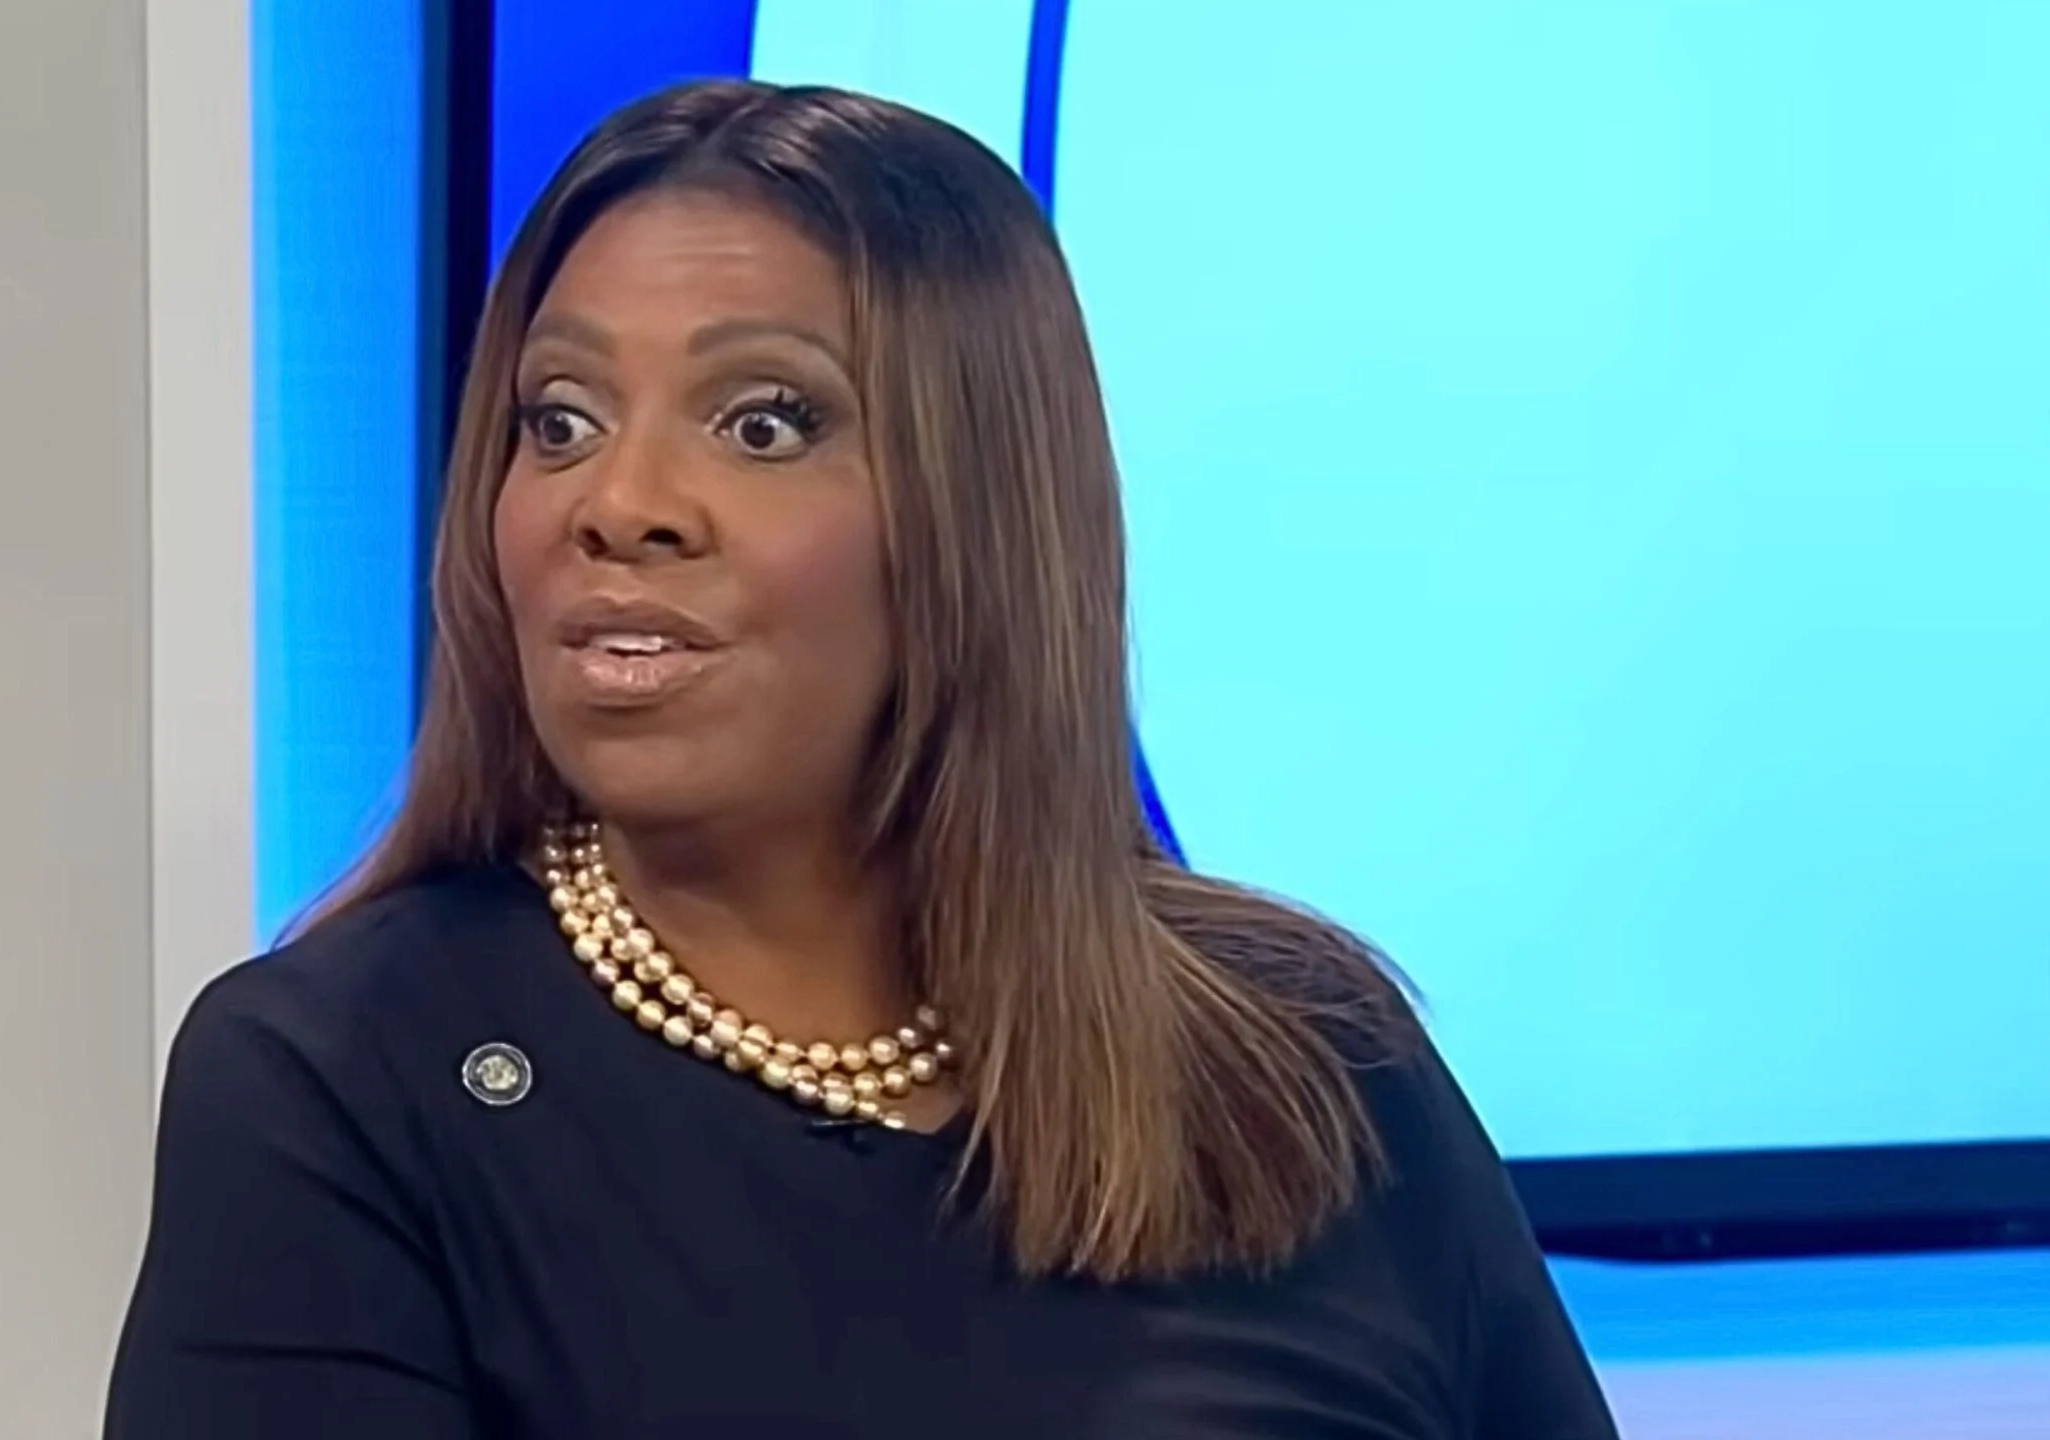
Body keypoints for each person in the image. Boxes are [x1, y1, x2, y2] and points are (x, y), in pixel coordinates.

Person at [104, 79, 1619, 1439]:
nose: (618, 503)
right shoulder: (343, 1083)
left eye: (764, 424)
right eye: (558, 421)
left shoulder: (1305, 1057)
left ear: (981, 516)